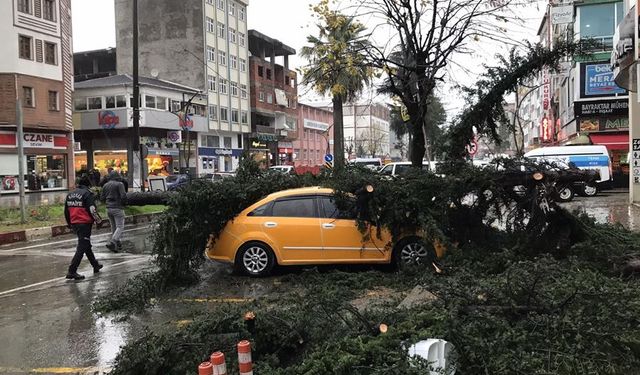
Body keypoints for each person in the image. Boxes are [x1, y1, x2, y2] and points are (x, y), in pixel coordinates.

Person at [64, 174, 103, 280]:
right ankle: (72, 270)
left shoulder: (70, 194)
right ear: (88, 185)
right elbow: (92, 210)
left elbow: (66, 211)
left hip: (75, 223)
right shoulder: (87, 194)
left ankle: (95, 265)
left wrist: (69, 224)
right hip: (84, 224)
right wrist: (99, 221)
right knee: (82, 246)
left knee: (86, 244)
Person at [101, 170, 127, 252]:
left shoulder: (105, 185)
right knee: (120, 226)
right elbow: (123, 196)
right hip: (118, 207)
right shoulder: (120, 184)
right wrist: (124, 204)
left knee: (114, 227)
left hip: (108, 208)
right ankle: (113, 242)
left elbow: (102, 197)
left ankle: (117, 244)